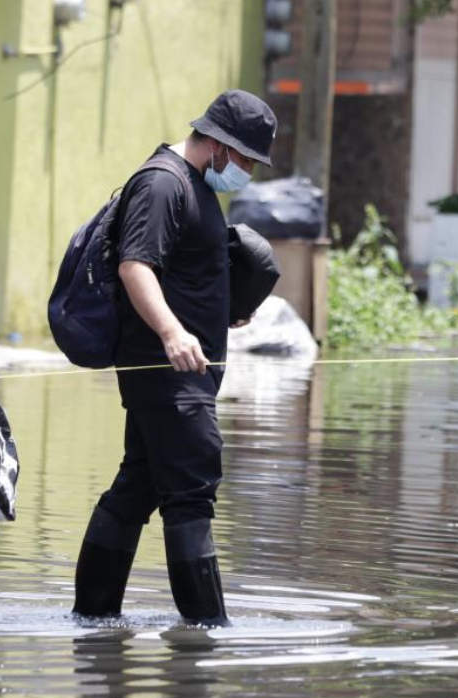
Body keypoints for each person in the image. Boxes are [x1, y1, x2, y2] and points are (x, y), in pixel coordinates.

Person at [72, 90, 277, 626]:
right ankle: (208, 635)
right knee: (192, 492)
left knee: (137, 486)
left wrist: (223, 311)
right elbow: (136, 267)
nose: (248, 171)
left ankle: (92, 621)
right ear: (217, 143)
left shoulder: (195, 186)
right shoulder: (164, 183)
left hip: (182, 370)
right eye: (246, 159)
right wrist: (173, 333)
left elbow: (182, 271)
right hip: (170, 373)